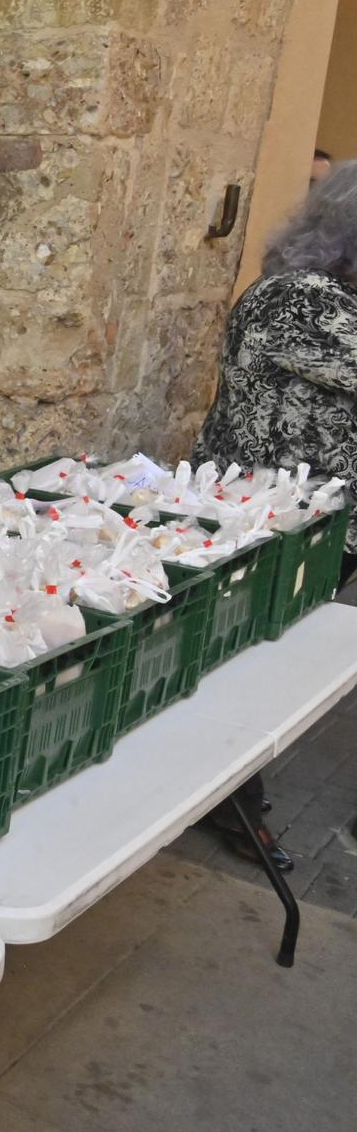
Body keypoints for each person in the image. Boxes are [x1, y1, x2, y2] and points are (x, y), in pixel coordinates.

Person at [192, 159, 357, 872]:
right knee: (256, 659)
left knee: (269, 656)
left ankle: (229, 793)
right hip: (272, 521)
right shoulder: (299, 299)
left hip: (316, 519)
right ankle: (232, 801)